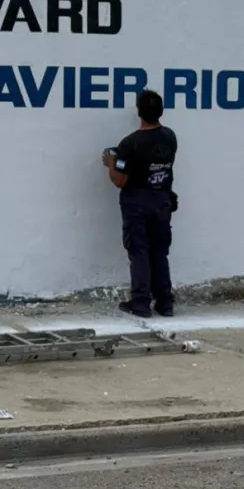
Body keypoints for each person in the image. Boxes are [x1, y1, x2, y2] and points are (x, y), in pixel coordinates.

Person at [102, 89, 178, 318]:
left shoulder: (130, 144)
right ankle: (165, 303)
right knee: (159, 252)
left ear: (139, 112)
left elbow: (120, 180)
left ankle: (141, 303)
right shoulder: (170, 137)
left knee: (139, 252)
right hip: (162, 199)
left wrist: (111, 163)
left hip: (137, 202)